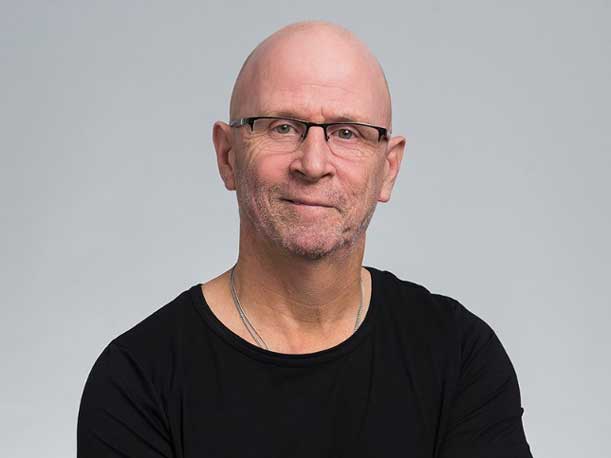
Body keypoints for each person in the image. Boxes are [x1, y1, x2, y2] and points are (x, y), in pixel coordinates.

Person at [77, 20, 533, 457]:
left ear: (388, 169)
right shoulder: (137, 380)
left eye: (347, 133)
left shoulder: (459, 357)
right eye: (283, 127)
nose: (313, 164)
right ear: (228, 155)